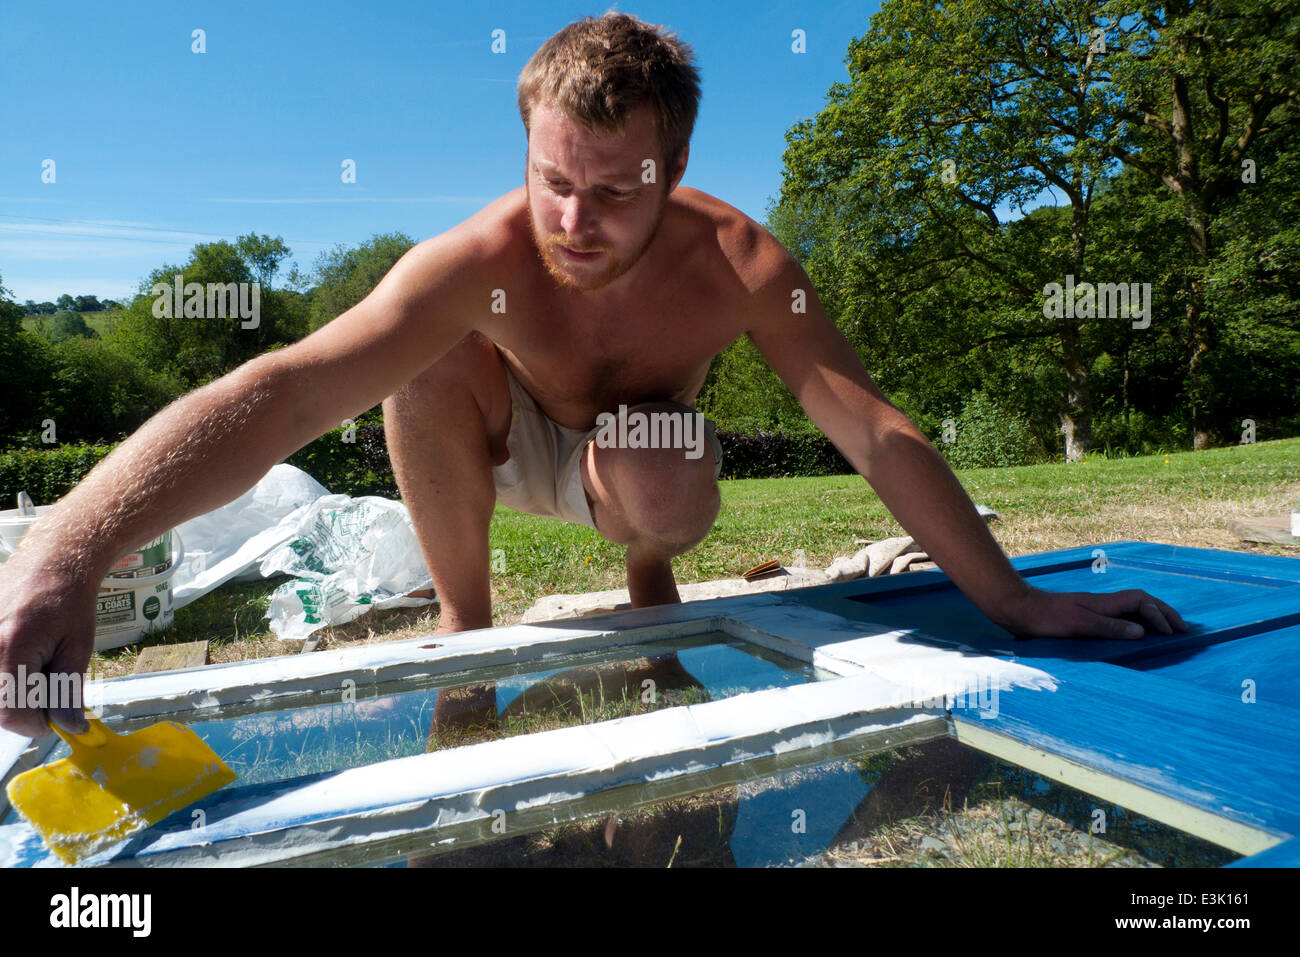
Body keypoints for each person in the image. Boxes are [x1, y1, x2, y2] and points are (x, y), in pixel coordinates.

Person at [0, 13, 1186, 739]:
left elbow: (869, 427)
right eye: (551, 178)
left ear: (674, 169)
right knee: (421, 351)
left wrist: (1014, 603)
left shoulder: (741, 262)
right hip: (495, 438)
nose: (575, 220)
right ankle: (465, 635)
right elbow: (291, 388)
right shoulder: (479, 256)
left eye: (618, 189)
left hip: (635, 468)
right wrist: (66, 551)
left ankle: (647, 587)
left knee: (663, 462)